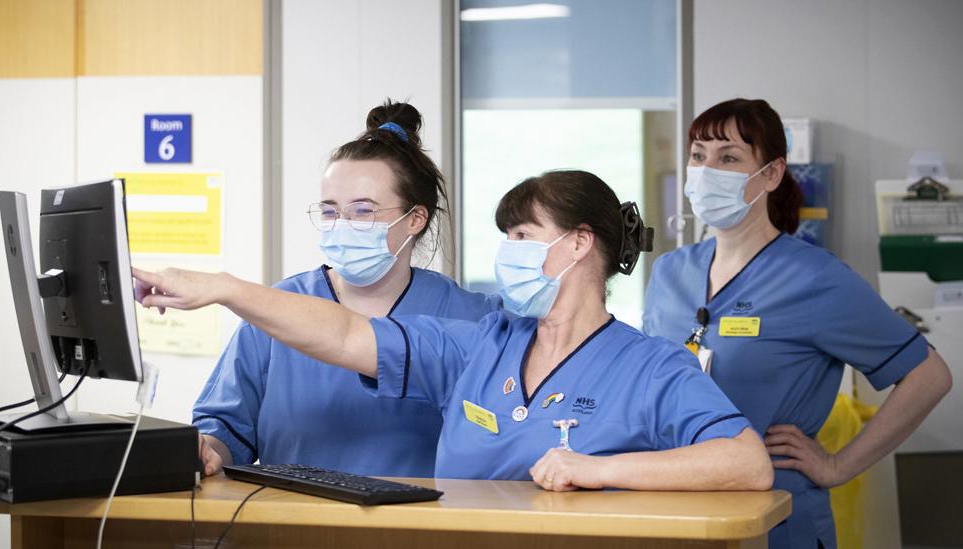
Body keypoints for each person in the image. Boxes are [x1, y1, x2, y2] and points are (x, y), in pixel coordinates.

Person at [134, 170, 774, 492]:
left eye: (523, 236)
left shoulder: (650, 366)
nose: (508, 252)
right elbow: (345, 335)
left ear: (580, 244)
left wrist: (602, 470)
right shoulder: (482, 342)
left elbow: (746, 461)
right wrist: (225, 287)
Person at [641, 98, 953, 548]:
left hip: (777, 521)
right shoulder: (670, 273)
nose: (707, 170)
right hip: (679, 513)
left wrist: (838, 466)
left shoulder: (815, 279)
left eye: (728, 157)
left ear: (770, 174)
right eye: (698, 156)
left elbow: (930, 376)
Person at [189, 101, 501, 478]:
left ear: (416, 218)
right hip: (290, 523)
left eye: (363, 211)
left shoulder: (468, 316)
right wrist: (208, 450)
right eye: (330, 211)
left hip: (416, 528)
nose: (341, 225)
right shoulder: (278, 310)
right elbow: (225, 429)